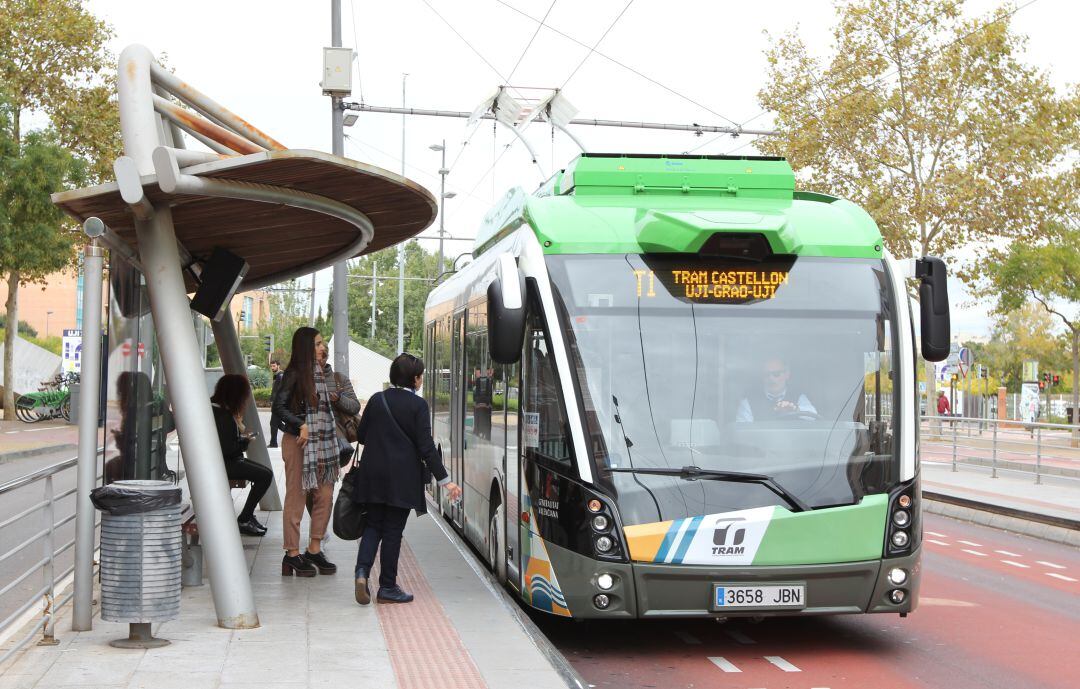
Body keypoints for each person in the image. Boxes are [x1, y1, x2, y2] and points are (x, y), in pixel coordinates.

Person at [351, 353, 462, 605]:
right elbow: (426, 447)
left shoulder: (377, 400)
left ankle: (361, 573)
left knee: (373, 526)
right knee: (392, 531)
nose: (421, 380)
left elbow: (362, 435)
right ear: (415, 379)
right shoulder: (418, 406)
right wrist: (445, 481)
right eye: (420, 376)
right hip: (401, 480)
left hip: (372, 475)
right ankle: (387, 587)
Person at [271, 327, 339, 577]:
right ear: (306, 347)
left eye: (323, 344)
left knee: (325, 495)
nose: (323, 348)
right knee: (296, 497)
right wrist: (301, 424)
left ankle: (314, 548)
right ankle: (291, 554)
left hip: (322, 444)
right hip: (298, 442)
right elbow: (278, 407)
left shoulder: (323, 373)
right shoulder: (294, 374)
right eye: (318, 344)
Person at [211, 374, 274, 537]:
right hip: (226, 463)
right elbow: (229, 449)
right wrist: (245, 441)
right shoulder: (223, 415)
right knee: (265, 475)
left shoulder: (215, 409)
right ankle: (245, 518)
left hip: (220, 462)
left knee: (265, 473)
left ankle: (247, 516)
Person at [736, 356, 817, 422]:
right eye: (767, 374)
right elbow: (743, 431)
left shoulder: (798, 396)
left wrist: (795, 409)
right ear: (762, 377)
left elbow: (813, 417)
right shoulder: (749, 402)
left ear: (787, 375)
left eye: (776, 374)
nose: (771, 378)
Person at [268, 359, 284, 448]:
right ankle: (295, 434)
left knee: (274, 423)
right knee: (277, 423)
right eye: (271, 366)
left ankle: (273, 443)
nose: (272, 368)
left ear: (278, 366)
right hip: (276, 403)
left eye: (274, 366)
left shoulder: (280, 375)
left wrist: (276, 402)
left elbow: (280, 390)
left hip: (278, 403)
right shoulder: (277, 375)